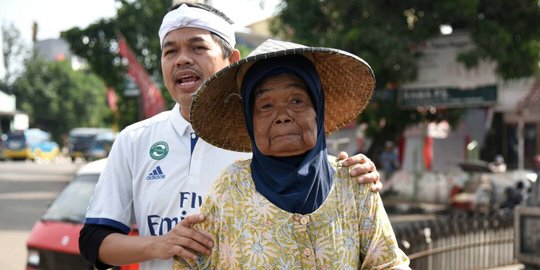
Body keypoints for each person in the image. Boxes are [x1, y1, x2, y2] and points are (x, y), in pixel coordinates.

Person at [79, 3, 383, 270]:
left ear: (232, 59)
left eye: (197, 47)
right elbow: (94, 242)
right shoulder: (135, 140)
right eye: (170, 51)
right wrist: (159, 245)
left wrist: (352, 178)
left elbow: (317, 175)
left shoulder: (268, 139)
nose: (182, 59)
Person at [174, 39, 410, 269]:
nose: (282, 115)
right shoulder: (230, 186)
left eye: (296, 100)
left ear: (317, 109)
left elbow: (388, 264)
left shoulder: (354, 182)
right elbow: (189, 263)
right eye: (266, 106)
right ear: (250, 119)